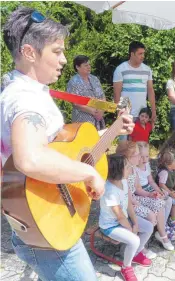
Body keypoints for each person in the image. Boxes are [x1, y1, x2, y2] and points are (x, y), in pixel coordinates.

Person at [1, 7, 134, 281]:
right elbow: (30, 160)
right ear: (29, 52)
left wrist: (113, 130)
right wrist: (88, 173)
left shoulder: (25, 89)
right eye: (56, 51)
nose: (64, 59)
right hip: (47, 224)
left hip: (46, 218)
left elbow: (63, 148)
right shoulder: (26, 99)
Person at [99, 154, 153, 281]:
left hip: (124, 219)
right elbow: (119, 216)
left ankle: (135, 254)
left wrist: (135, 222)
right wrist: (131, 229)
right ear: (118, 171)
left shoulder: (123, 181)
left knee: (149, 227)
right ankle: (126, 267)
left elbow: (128, 204)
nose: (131, 169)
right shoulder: (110, 191)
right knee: (134, 240)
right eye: (127, 167)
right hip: (110, 226)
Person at [116, 141, 175, 250]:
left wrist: (150, 194)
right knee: (151, 216)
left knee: (160, 203)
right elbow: (125, 194)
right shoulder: (123, 171)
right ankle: (140, 246)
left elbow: (138, 188)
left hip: (134, 198)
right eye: (137, 155)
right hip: (126, 203)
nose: (140, 158)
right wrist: (136, 202)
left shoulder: (133, 168)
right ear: (127, 157)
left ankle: (162, 235)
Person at [113, 41, 157, 140]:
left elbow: (150, 91)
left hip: (142, 114)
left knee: (140, 143)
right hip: (125, 111)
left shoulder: (147, 69)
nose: (143, 56)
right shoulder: (120, 69)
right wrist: (119, 113)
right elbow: (117, 93)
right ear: (132, 54)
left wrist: (153, 111)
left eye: (143, 53)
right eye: (140, 53)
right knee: (124, 143)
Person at [67, 55, 106, 130]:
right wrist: (92, 111)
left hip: (98, 118)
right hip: (82, 120)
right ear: (77, 67)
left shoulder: (94, 79)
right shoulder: (73, 82)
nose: (89, 67)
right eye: (85, 65)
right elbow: (74, 102)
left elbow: (102, 96)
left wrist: (101, 111)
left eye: (89, 65)